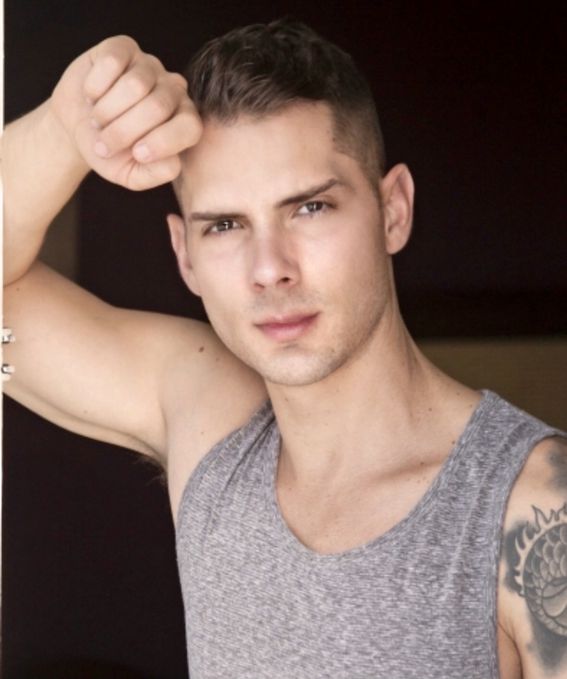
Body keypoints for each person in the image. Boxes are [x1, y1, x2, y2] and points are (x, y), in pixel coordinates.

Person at [3, 19, 566, 679]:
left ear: (393, 210)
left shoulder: (534, 510)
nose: (269, 268)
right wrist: (67, 123)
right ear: (185, 255)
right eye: (225, 225)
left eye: (309, 209)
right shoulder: (208, 421)